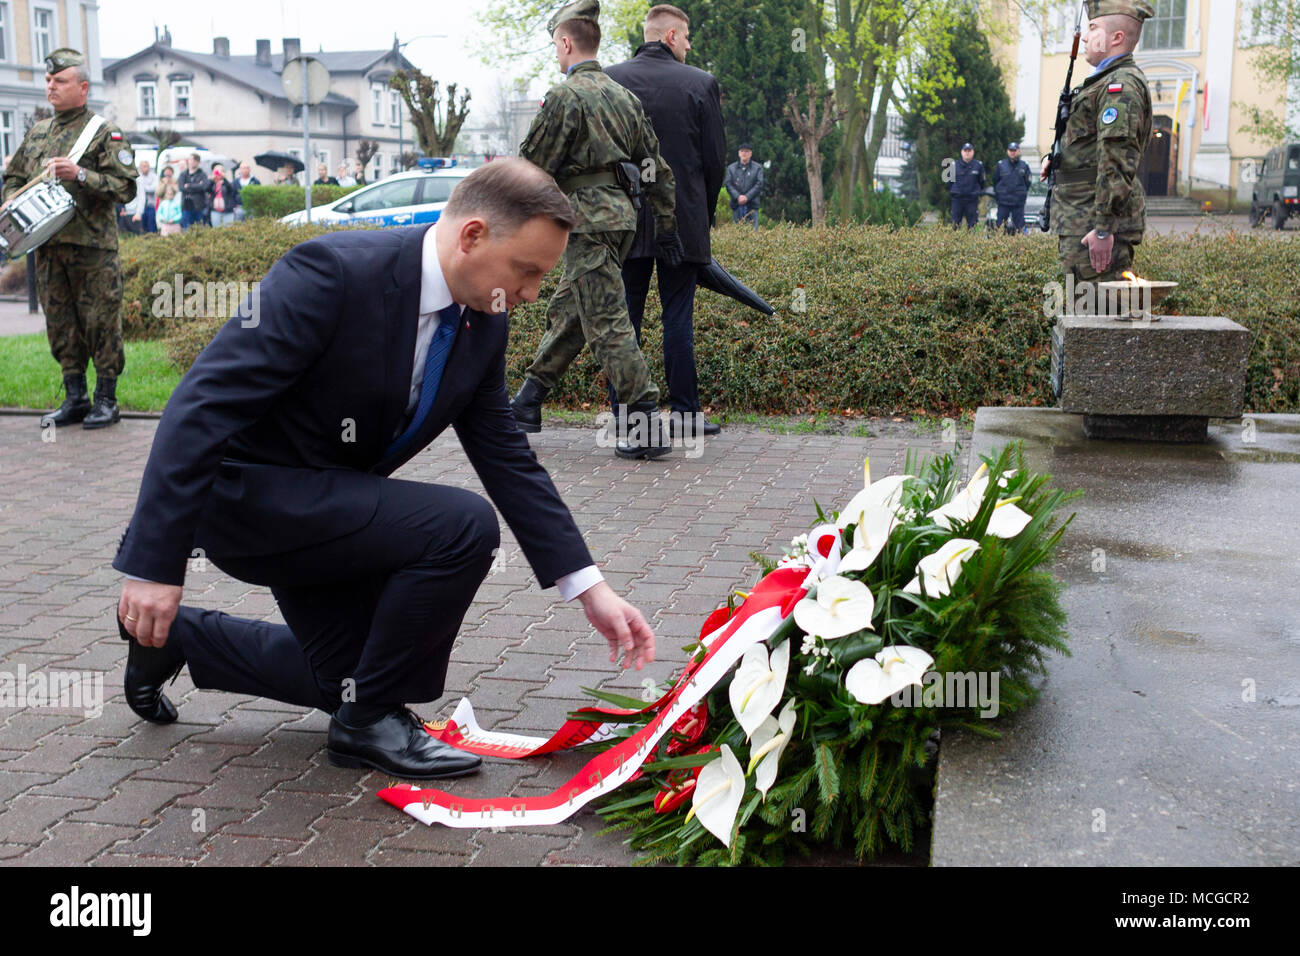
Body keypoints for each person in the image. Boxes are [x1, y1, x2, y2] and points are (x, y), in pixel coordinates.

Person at [112, 158, 657, 779]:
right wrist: (156, 565)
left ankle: (180, 639)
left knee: (343, 680)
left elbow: (504, 453)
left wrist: (588, 587)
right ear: (472, 235)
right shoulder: (332, 275)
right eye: (526, 271)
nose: (532, 293)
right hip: (247, 501)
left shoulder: (482, 319)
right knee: (459, 526)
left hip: (327, 510)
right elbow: (199, 408)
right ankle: (370, 722)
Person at [510, 0, 680, 460]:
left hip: (584, 222)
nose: (556, 53)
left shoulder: (565, 97)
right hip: (622, 220)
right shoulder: (626, 97)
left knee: (606, 320)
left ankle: (644, 422)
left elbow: (531, 166)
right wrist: (665, 226)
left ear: (566, 42)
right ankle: (528, 400)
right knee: (573, 312)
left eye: (555, 45)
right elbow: (655, 168)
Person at [604, 3, 726, 439]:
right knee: (677, 318)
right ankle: (686, 415)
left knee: (624, 318)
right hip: (683, 218)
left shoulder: (610, 79)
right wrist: (703, 214)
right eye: (687, 38)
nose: (690, 47)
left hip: (623, 218)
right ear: (671, 36)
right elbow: (715, 163)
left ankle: (624, 414)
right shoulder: (700, 84)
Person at [1, 48, 137, 430]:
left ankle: (106, 400)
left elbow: (125, 188)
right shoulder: (38, 132)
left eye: (59, 81)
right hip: (47, 245)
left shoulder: (102, 133)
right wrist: (10, 195)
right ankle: (74, 397)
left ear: (83, 88)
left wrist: (80, 174)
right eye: (48, 81)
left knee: (101, 322)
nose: (51, 87)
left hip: (92, 248)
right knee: (60, 323)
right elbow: (14, 175)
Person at [1044, 0, 1154, 297]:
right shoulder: (1104, 82)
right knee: (1084, 319)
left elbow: (1117, 159)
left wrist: (1104, 228)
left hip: (1094, 225)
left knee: (1098, 320)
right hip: (1080, 218)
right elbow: (1090, 145)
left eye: (1093, 29)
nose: (1087, 36)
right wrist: (1059, 160)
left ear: (1116, 38)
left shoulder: (1120, 86)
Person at [993, 142, 1031, 234]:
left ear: (1019, 151)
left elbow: (1027, 183)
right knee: (1000, 227)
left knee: (1020, 228)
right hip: (1003, 201)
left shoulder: (1024, 165)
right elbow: (995, 181)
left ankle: (1020, 247)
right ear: (1007, 151)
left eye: (1014, 150)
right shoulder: (1001, 165)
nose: (1012, 152)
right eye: (1011, 150)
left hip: (1018, 202)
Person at [949, 142, 985, 229]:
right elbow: (950, 182)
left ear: (973, 152)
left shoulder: (978, 165)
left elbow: (982, 181)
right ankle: (955, 242)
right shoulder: (954, 165)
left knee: (972, 225)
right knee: (955, 224)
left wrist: (975, 192)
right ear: (962, 152)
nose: (967, 153)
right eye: (965, 150)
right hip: (958, 199)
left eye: (969, 151)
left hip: (972, 200)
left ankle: (971, 242)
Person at [725, 144, 762, 227]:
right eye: (742, 151)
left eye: (746, 151)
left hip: (752, 205)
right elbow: (728, 183)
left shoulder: (758, 168)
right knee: (737, 232)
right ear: (738, 153)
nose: (744, 153)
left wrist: (747, 197)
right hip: (736, 205)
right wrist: (738, 197)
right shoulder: (731, 168)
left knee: (753, 234)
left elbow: (759, 184)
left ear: (751, 153)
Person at [178, 152, 208, 229]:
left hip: (199, 206)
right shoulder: (183, 174)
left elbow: (204, 187)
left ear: (198, 162)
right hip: (186, 205)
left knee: (200, 229)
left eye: (194, 160)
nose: (192, 162)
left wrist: (189, 185)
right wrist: (197, 185)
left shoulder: (202, 174)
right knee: (186, 229)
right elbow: (181, 187)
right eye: (190, 160)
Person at [208, 163, 236, 227]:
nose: (218, 173)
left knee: (229, 228)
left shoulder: (227, 183)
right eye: (216, 171)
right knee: (216, 229)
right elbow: (207, 189)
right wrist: (212, 180)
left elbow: (231, 190)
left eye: (220, 171)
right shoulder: (212, 183)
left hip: (227, 210)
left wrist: (224, 178)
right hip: (215, 210)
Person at [137, 159, 158, 232]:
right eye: (142, 166)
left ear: (149, 167)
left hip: (150, 205)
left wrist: (142, 187)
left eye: (145, 166)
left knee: (151, 225)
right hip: (138, 206)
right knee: (142, 226)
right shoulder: (138, 176)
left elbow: (153, 188)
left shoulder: (154, 176)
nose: (143, 168)